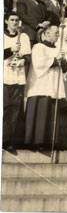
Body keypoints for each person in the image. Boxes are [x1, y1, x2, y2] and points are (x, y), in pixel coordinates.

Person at [25, 25, 67, 150]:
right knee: (41, 114)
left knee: (51, 114)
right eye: (55, 33)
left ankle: (50, 142)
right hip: (41, 86)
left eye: (58, 33)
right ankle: (36, 141)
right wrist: (56, 60)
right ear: (47, 33)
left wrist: (63, 61)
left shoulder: (59, 49)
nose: (57, 35)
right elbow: (39, 64)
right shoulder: (38, 47)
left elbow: (65, 69)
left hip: (54, 85)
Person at [3, 12, 31, 150]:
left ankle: (10, 141)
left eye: (17, 20)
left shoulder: (23, 37)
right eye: (12, 20)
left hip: (18, 78)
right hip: (4, 77)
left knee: (15, 110)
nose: (14, 22)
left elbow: (28, 57)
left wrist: (22, 61)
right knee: (4, 108)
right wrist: (10, 50)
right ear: (6, 21)